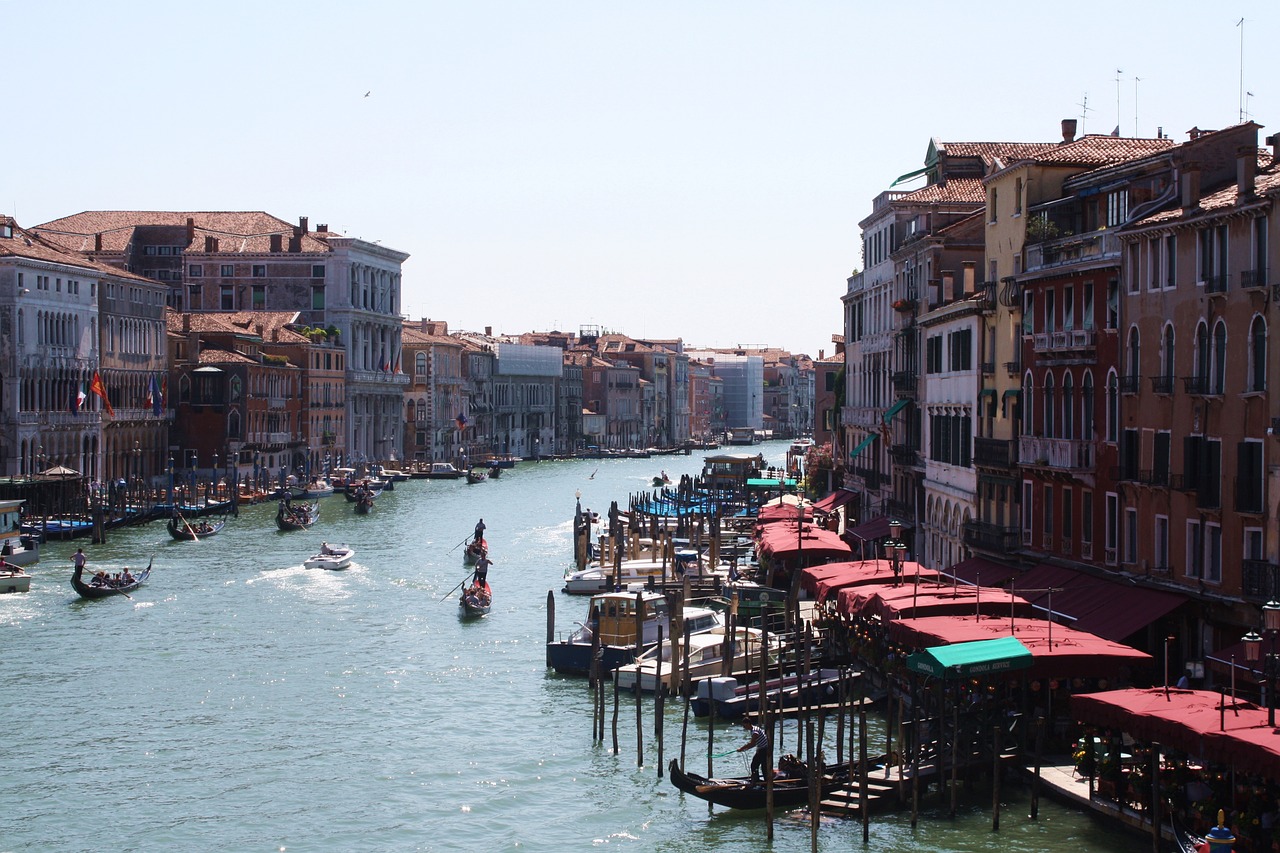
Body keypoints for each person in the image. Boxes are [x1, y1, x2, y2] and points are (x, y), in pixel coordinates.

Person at [738, 717, 771, 784]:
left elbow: (752, 743)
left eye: (745, 725)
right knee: (760, 766)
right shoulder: (754, 729)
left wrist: (742, 748)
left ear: (749, 724)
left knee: (755, 765)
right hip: (762, 749)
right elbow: (753, 744)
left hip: (763, 750)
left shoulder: (754, 732)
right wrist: (744, 749)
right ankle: (760, 780)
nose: (744, 727)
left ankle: (760, 782)